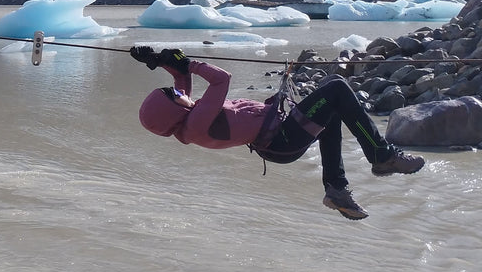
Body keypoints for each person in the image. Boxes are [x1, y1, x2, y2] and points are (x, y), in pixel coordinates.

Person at [130, 45, 424, 220]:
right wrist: (190, 64)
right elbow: (221, 80)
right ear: (172, 110)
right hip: (283, 139)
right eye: (171, 95)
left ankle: (336, 190)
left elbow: (181, 83)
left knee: (332, 103)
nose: (176, 92)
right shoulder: (195, 124)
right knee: (336, 90)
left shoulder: (186, 118)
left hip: (279, 137)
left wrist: (157, 60)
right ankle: (382, 155)